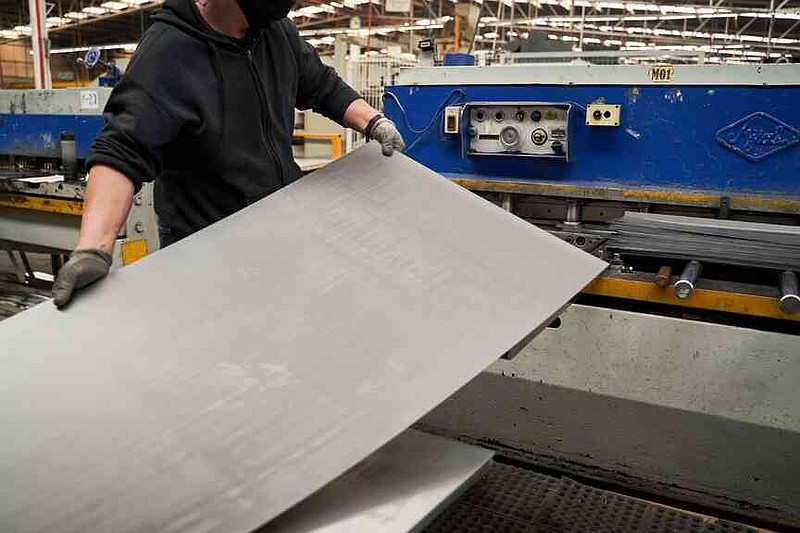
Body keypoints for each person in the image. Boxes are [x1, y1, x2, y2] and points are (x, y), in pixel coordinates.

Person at [51, 0, 404, 308]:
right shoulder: (167, 53)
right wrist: (93, 249)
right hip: (205, 244)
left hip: (278, 225)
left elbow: (323, 86)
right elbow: (122, 150)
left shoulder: (275, 33)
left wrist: (373, 123)